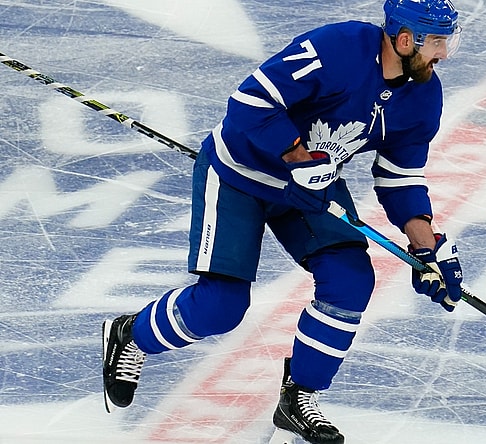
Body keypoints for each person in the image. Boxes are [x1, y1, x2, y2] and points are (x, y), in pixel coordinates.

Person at [101, 1, 463, 443]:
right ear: (405, 39)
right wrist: (294, 156)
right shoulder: (337, 48)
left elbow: (400, 175)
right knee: (222, 307)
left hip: (310, 188)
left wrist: (426, 245)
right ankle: (131, 334)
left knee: (350, 280)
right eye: (438, 42)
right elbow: (249, 101)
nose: (444, 53)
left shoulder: (423, 96)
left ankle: (299, 398)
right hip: (240, 176)